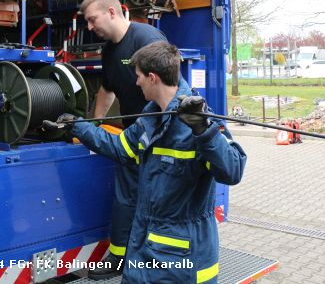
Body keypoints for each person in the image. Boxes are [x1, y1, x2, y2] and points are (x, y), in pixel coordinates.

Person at [45, 41, 247, 283]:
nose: (136, 82)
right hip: (145, 251)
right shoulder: (150, 118)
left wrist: (204, 131)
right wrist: (78, 125)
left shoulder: (199, 122)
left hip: (180, 262)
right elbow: (119, 148)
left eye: (139, 76)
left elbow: (232, 171)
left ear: (152, 78)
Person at [80, 0, 167, 279]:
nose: (90, 27)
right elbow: (107, 90)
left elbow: (170, 91)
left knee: (155, 200)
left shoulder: (148, 40)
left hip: (158, 140)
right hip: (133, 138)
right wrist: (92, 126)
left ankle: (154, 259)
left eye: (92, 20)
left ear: (112, 12)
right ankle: (119, 258)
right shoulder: (109, 51)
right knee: (126, 197)